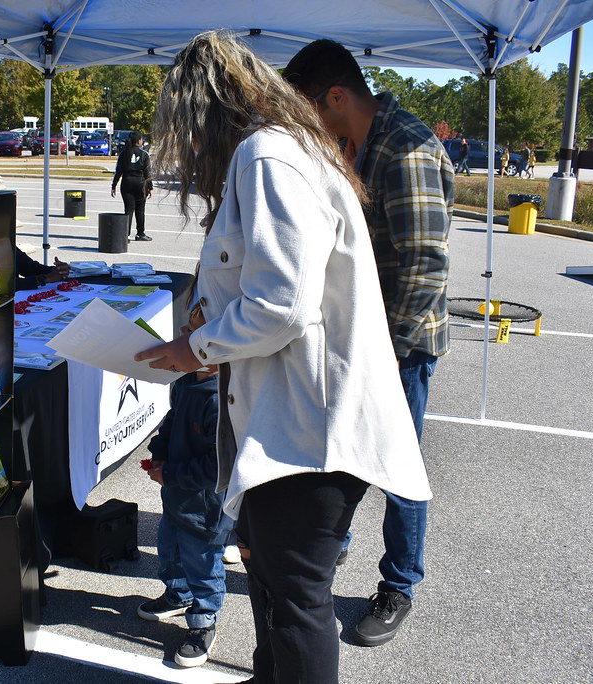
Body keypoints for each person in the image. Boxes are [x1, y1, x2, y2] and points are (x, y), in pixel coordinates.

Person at [135, 31, 432, 683]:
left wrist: (196, 346)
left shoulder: (269, 153)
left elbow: (281, 304)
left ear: (211, 109)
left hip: (308, 434)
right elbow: (275, 286)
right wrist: (211, 321)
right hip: (292, 426)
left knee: (295, 604)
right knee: (271, 587)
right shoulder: (288, 151)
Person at [283, 39, 453, 647]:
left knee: (398, 468)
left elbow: (425, 264)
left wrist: (392, 351)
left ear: (336, 96)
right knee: (344, 451)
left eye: (311, 112)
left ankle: (400, 582)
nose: (309, 128)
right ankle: (336, 546)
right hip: (361, 337)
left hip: (399, 344)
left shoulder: (403, 147)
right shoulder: (356, 142)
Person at [138, 360, 233, 669]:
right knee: (169, 546)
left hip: (205, 503)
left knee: (202, 559)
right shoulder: (186, 380)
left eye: (194, 328)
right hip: (177, 493)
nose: (183, 333)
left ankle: (204, 619)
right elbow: (172, 420)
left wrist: (174, 474)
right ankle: (179, 594)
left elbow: (218, 465)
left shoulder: (222, 398)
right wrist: (160, 453)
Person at [111, 131, 153, 241]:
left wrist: (114, 185)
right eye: (141, 139)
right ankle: (140, 233)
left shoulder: (123, 154)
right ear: (138, 141)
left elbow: (118, 171)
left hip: (127, 183)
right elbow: (147, 173)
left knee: (128, 210)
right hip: (140, 184)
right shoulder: (144, 154)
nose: (142, 141)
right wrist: (150, 187)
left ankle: (126, 235)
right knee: (140, 210)